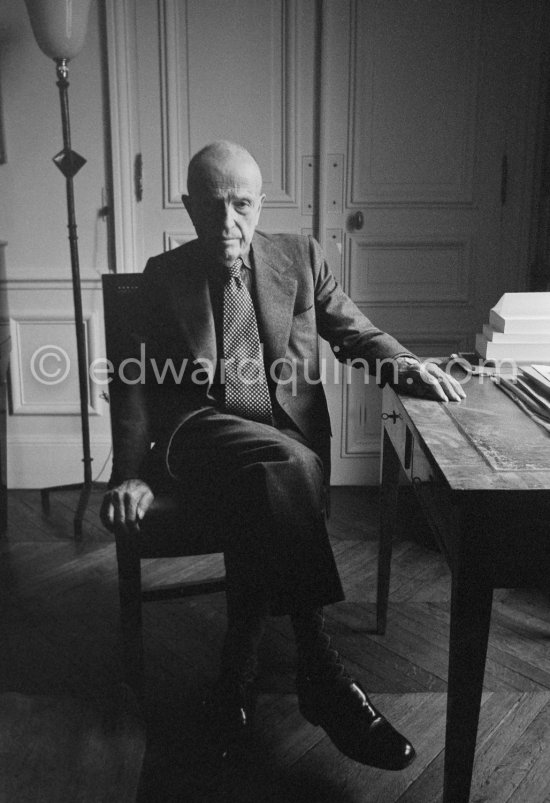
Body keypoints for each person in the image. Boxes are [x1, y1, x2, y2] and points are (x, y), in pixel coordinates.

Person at [101, 141, 464, 768]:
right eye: (212, 207)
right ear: (188, 207)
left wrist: (405, 365)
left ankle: (233, 679)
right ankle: (321, 673)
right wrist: (129, 476)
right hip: (200, 433)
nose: (228, 223)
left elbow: (352, 330)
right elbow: (133, 384)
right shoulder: (164, 276)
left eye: (242, 205)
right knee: (287, 469)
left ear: (260, 202)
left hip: (281, 442)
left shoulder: (299, 258)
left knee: (270, 483)